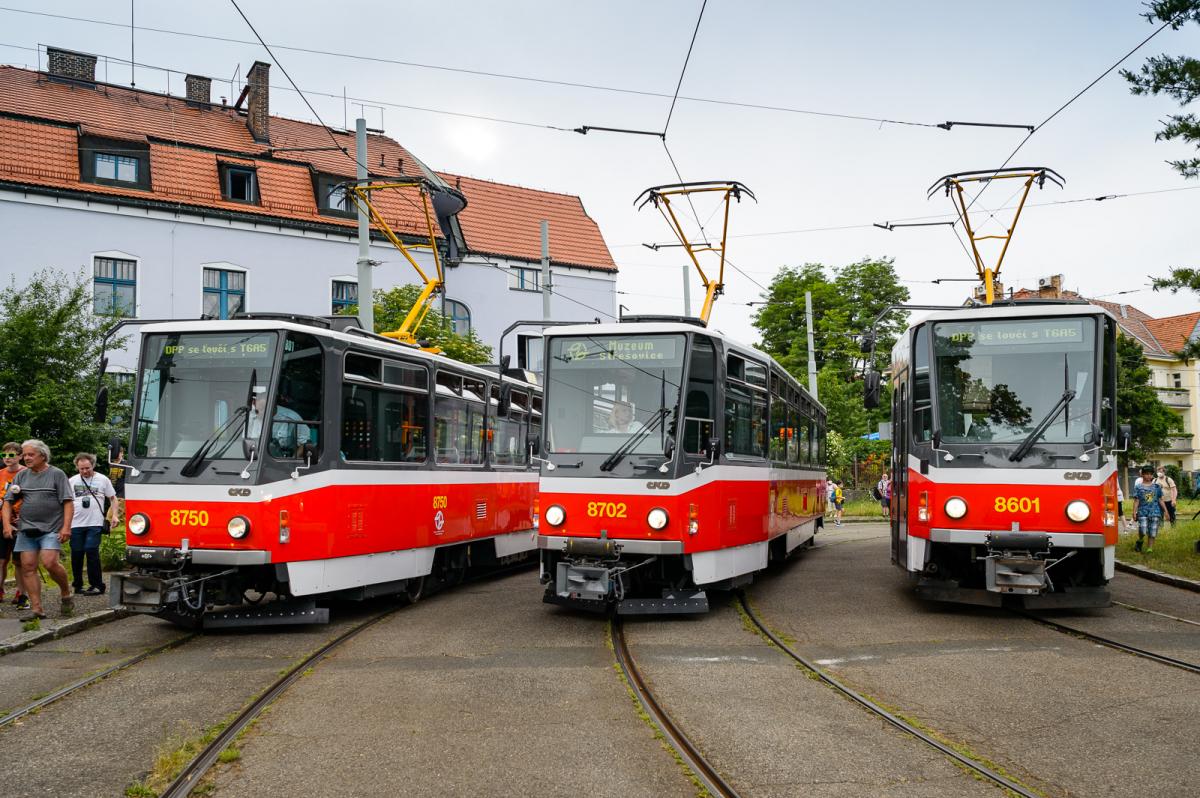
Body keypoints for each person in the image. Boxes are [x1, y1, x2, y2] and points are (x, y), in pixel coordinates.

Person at [1, 440, 74, 620]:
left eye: (30, 454)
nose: (26, 458)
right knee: (27, 567)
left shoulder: (56, 474)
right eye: (24, 455)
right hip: (26, 529)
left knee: (50, 563)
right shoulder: (22, 476)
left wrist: (66, 527)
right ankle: (37, 609)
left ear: (42, 455)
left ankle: (66, 593)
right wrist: (6, 524)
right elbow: (8, 502)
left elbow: (68, 502)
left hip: (51, 528)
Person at [69, 453, 117, 596]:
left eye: (87, 468)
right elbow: (65, 502)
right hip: (76, 523)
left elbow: (113, 498)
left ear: (93, 465)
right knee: (76, 553)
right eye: (81, 469)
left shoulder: (103, 479)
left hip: (95, 522)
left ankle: (97, 585)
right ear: (77, 467)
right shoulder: (71, 481)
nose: (84, 471)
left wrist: (114, 515)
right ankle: (77, 585)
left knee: (91, 550)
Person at [0, 441, 26, 607]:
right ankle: (0, 590)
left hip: (21, 521)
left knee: (19, 561)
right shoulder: (0, 473)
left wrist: (24, 516)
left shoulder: (26, 473)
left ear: (20, 456)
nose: (7, 458)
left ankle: (21, 592)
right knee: (1, 560)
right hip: (2, 520)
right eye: (4, 455)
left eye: (11, 455)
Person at [248, 392, 309, 457]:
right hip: (254, 458)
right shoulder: (249, 417)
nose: (259, 413)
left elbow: (304, 443)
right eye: (257, 410)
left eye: (263, 409)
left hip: (282, 460)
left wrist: (290, 462)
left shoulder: (292, 418)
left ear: (273, 404)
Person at [1132, 465, 1167, 554]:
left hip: (1155, 512)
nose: (1149, 476)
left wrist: (1166, 511)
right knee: (1143, 530)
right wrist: (1134, 512)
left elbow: (1160, 499)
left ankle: (1149, 549)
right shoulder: (1138, 487)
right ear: (1142, 475)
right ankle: (1140, 541)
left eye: (1150, 474)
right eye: (1146, 474)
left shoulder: (1156, 487)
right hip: (1142, 512)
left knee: (1153, 531)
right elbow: (1136, 500)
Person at [106, 444, 127, 529]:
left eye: (119, 453)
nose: (117, 454)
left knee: (110, 517)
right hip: (114, 494)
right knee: (124, 518)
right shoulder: (111, 464)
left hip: (122, 495)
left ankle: (109, 533)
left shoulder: (126, 464)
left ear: (122, 453)